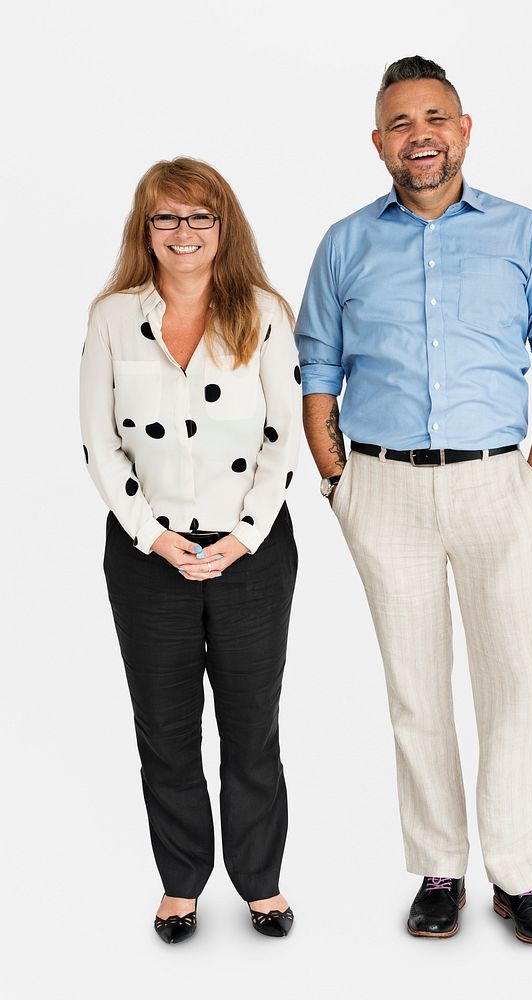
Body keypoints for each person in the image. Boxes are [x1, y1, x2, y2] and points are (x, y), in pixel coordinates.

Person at [296, 56, 532, 944]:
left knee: (512, 686)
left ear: (464, 129)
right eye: (400, 123)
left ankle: (520, 877)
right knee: (415, 690)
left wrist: (530, 485)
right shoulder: (346, 242)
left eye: (435, 117)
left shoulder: (523, 232)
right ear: (378, 142)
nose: (419, 135)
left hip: (498, 481)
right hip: (382, 488)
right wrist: (342, 485)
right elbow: (317, 373)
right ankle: (439, 870)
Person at [80, 156, 301, 943]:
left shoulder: (265, 311)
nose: (183, 232)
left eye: (199, 217)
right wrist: (155, 536)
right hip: (148, 556)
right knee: (165, 729)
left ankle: (261, 883)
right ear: (146, 229)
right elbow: (99, 444)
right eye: (167, 218)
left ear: (223, 227)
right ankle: (180, 884)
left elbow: (283, 438)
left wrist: (243, 536)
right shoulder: (113, 317)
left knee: (251, 727)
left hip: (253, 554)